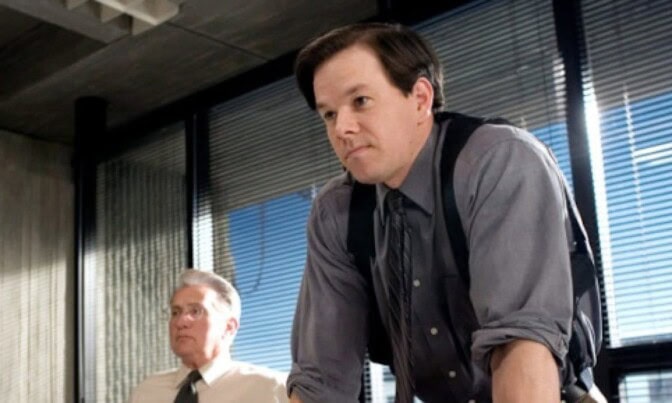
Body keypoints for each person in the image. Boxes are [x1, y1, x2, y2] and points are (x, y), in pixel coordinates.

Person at [288, 22, 603, 403]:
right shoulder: (336, 212)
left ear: (420, 98)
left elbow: (523, 345)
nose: (342, 128)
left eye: (360, 101)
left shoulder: (496, 161)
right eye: (328, 114)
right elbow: (321, 380)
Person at [129, 269, 289, 403]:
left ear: (229, 327)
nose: (180, 322)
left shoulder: (273, 389)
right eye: (175, 312)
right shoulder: (146, 392)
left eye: (195, 311)